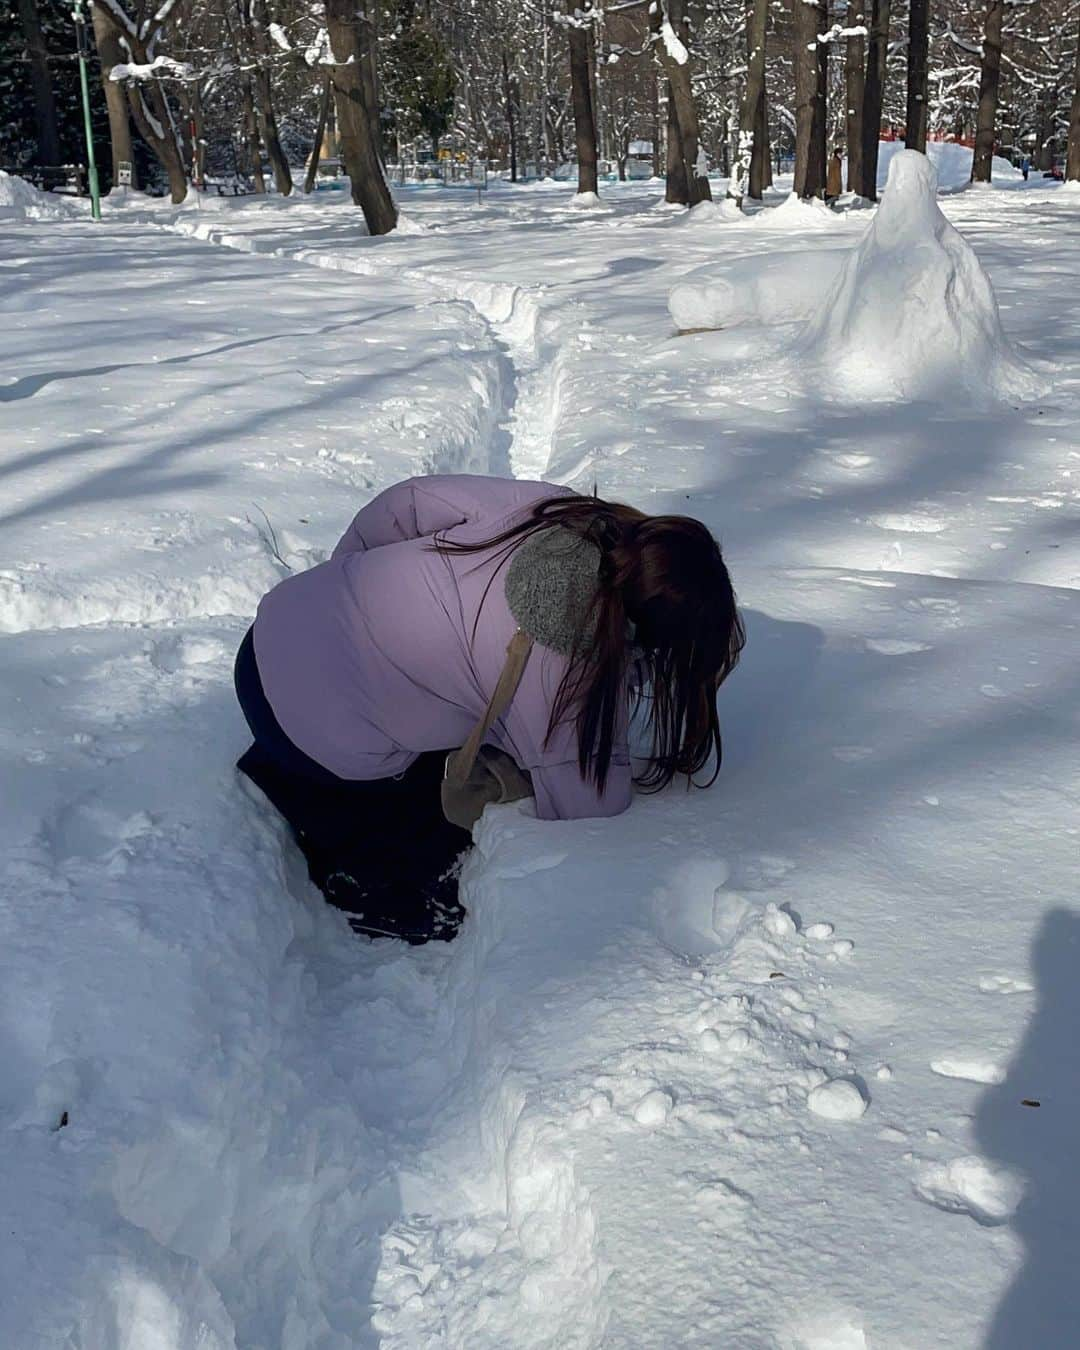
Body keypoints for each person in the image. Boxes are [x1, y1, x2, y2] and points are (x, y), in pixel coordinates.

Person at [234, 475, 745, 943]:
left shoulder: (555, 509)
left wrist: (347, 581)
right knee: (432, 858)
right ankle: (328, 830)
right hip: (309, 735)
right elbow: (588, 807)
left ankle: (303, 759)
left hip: (272, 628)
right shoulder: (566, 676)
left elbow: (403, 503)